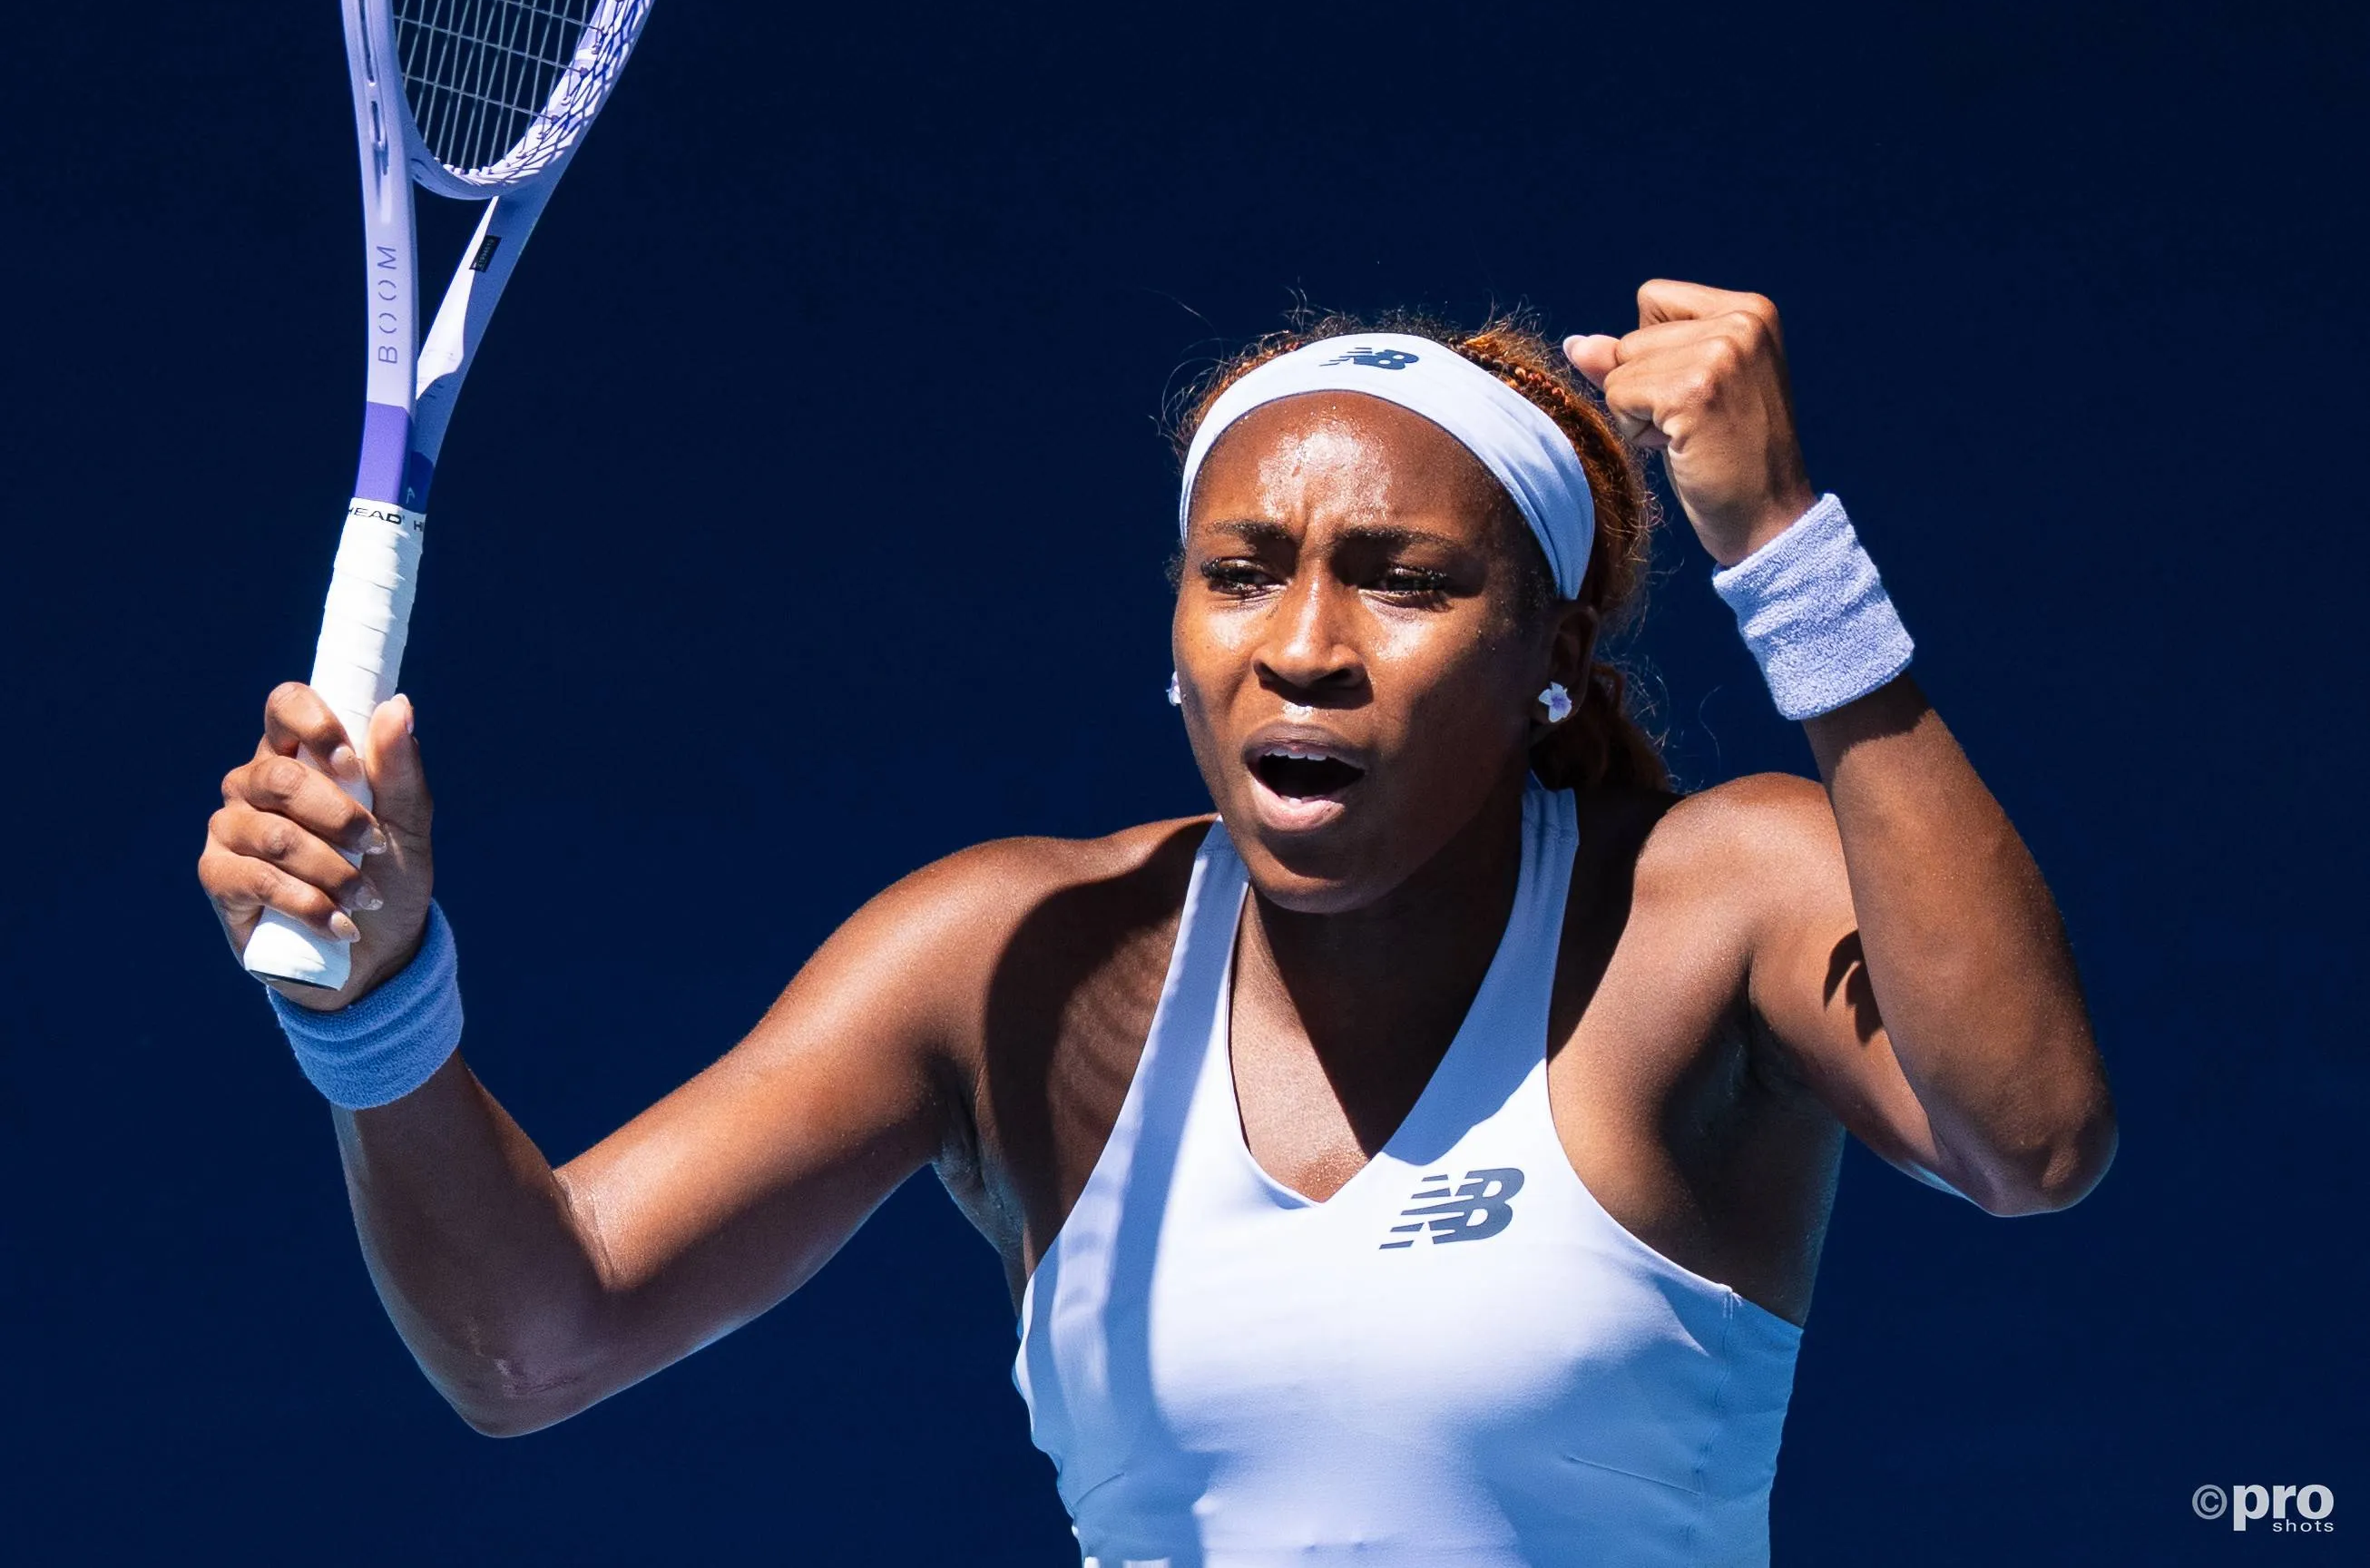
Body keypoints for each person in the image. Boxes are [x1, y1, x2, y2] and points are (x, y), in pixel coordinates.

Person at [199, 279, 2116, 1566]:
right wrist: (376, 1004)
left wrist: (1791, 563)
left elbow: (2028, 1139)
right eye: (1243, 572)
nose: (1303, 646)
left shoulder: (1713, 902)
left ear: (1548, 658)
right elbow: (532, 1340)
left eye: (1403, 581)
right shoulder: (1005, 961)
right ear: (1178, 634)